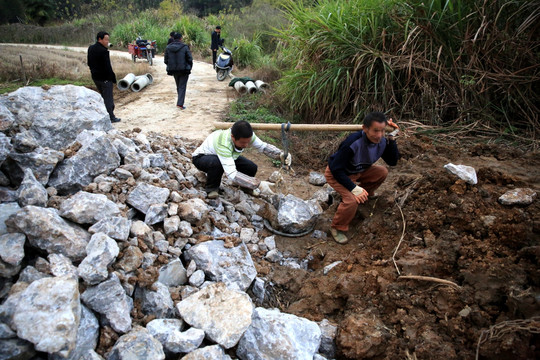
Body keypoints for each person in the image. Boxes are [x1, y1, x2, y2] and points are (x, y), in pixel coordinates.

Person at [325, 112, 400, 244]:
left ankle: (365, 195)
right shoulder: (352, 143)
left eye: (382, 130)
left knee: (381, 172)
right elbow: (336, 168)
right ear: (365, 128)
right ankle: (337, 227)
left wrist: (391, 139)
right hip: (338, 174)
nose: (379, 135)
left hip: (358, 171)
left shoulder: (382, 140)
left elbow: (392, 161)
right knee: (351, 201)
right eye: (375, 131)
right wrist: (353, 188)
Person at [192, 120, 292, 199]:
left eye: (248, 142)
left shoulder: (248, 135)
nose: (246, 145)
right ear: (233, 137)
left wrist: (280, 154)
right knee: (216, 163)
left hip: (228, 156)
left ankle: (246, 188)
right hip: (202, 158)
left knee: (251, 167)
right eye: (243, 143)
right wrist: (258, 184)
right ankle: (212, 188)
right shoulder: (223, 143)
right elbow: (232, 174)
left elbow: (262, 147)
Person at [87, 31, 120, 123]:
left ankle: (104, 115)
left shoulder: (91, 48)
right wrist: (113, 78)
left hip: (95, 77)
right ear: (100, 39)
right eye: (106, 40)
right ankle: (111, 117)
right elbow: (107, 66)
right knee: (108, 98)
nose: (107, 42)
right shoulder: (103, 51)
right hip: (105, 78)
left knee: (103, 96)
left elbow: (89, 63)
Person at [164, 32, 193, 110]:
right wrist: (189, 67)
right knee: (182, 86)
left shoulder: (168, 47)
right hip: (184, 70)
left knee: (179, 86)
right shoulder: (185, 47)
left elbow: (165, 60)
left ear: (173, 38)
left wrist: (171, 66)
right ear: (181, 38)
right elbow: (189, 58)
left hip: (174, 70)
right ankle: (180, 104)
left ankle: (180, 101)